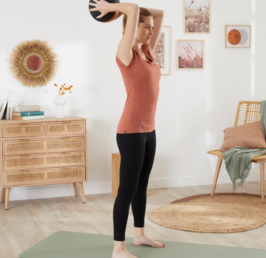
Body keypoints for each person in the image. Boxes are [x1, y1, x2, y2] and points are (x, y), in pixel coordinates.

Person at [89, 1, 165, 258]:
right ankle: (118, 248)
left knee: (142, 187)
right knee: (126, 191)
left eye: (152, 28)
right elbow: (132, 10)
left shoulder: (147, 52)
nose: (151, 31)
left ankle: (140, 234)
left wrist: (146, 17)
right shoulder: (126, 53)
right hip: (131, 131)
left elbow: (160, 13)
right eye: (146, 27)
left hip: (149, 131)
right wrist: (111, 6)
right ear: (132, 29)